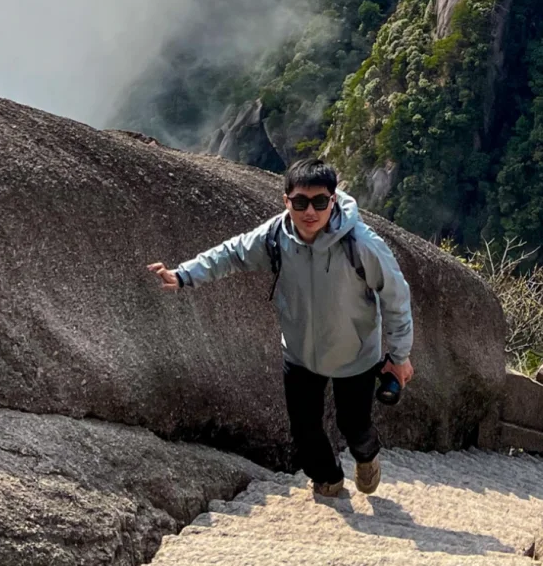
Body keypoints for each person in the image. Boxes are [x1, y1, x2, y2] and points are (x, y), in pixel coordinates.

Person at [147, 156, 414, 497]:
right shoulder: (276, 235)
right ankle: (328, 480)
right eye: (300, 202)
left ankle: (366, 457)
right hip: (300, 351)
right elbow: (231, 253)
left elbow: (396, 296)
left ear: (333, 200)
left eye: (320, 202)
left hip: (355, 354)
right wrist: (183, 275)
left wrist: (400, 355)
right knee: (304, 429)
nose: (310, 212)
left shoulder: (361, 245)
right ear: (286, 200)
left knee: (354, 426)